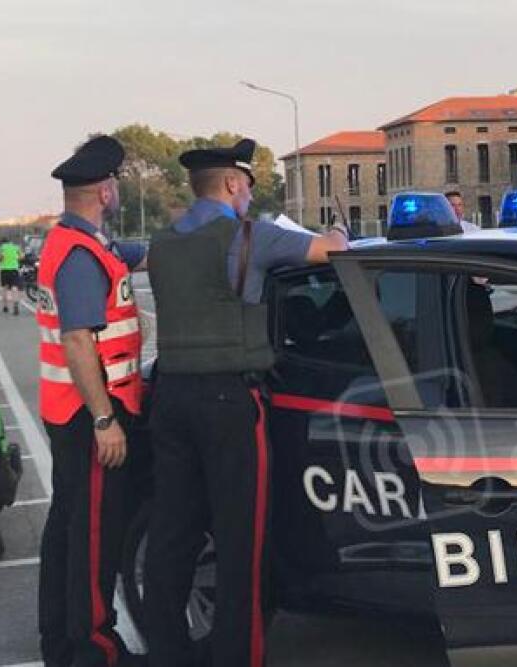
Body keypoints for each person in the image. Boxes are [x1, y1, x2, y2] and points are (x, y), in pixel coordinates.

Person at [144, 138, 348, 667]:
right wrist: (340, 231)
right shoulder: (251, 236)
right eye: (247, 188)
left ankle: (167, 652)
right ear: (233, 183)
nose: (249, 198)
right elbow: (332, 251)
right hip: (228, 402)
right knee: (241, 542)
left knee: (172, 535)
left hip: (169, 397)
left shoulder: (161, 243)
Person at [36, 135, 147, 667]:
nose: (118, 190)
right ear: (104, 192)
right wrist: (106, 420)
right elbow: (78, 341)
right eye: (116, 182)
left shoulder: (78, 242)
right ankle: (95, 650)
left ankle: (60, 644)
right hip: (89, 416)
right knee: (93, 537)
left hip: (66, 410)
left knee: (67, 530)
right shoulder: (80, 255)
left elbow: (134, 255)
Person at [0, 238, 23, 315]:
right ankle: (15, 305)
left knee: (4, 288)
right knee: (14, 288)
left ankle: (5, 307)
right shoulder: (16, 247)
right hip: (14, 270)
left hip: (4, 270)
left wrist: (0, 260)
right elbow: (21, 257)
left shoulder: (2, 247)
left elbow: (0, 258)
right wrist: (15, 259)